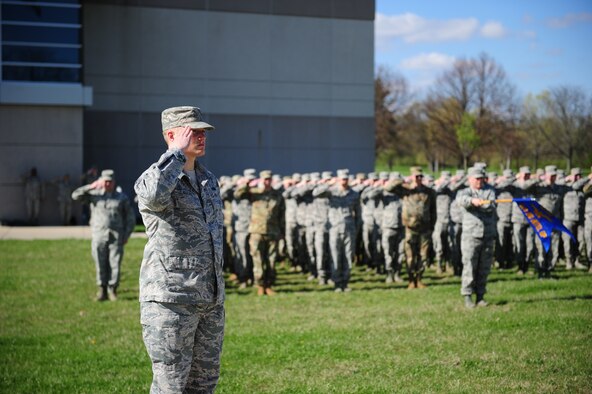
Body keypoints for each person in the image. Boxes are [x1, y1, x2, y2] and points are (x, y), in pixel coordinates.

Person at [134, 106, 225, 393]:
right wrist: (175, 153)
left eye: (203, 132)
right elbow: (152, 196)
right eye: (193, 131)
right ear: (172, 135)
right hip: (171, 301)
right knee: (171, 385)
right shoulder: (156, 177)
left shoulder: (208, 180)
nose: (201, 137)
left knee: (203, 385)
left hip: (209, 300)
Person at [71, 169, 135, 301]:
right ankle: (102, 289)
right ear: (101, 181)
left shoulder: (121, 198)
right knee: (100, 262)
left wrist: (126, 235)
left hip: (116, 235)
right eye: (105, 182)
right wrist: (91, 186)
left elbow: (130, 218)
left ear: (114, 182)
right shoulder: (94, 195)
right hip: (99, 234)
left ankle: (112, 289)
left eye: (110, 182)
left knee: (114, 263)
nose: (107, 184)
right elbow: (75, 196)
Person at [385, 167, 436, 289]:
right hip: (410, 228)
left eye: (420, 176)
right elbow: (388, 188)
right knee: (410, 256)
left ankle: (419, 279)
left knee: (423, 256)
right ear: (412, 177)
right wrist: (402, 180)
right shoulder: (405, 191)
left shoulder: (429, 192)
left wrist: (432, 226)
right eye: (416, 176)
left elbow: (433, 210)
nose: (418, 179)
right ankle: (411, 280)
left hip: (424, 228)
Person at [234, 170, 285, 295]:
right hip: (256, 231)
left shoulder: (277, 195)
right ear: (261, 180)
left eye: (269, 179)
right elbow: (238, 195)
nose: (267, 182)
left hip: (273, 232)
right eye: (265, 179)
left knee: (271, 260)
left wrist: (282, 232)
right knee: (258, 260)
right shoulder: (255, 193)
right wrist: (247, 184)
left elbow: (281, 215)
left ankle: (269, 285)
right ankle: (260, 285)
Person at [455, 167, 497, 308]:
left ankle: (480, 296)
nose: (479, 181)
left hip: (487, 235)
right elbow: (461, 200)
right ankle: (467, 296)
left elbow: (491, 205)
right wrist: (473, 201)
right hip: (471, 236)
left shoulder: (490, 190)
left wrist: (481, 203)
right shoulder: (464, 191)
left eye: (481, 178)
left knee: (484, 267)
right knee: (469, 266)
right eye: (476, 178)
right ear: (470, 179)